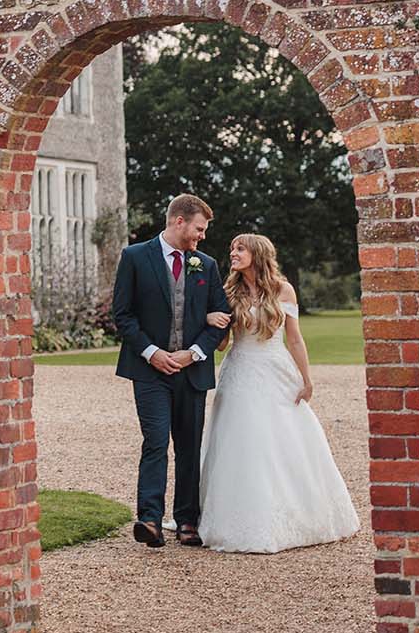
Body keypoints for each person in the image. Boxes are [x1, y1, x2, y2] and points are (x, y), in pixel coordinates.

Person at [197, 232, 358, 554]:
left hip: (274, 369)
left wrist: (307, 378)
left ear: (257, 254)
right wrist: (210, 321)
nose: (233, 253)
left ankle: (293, 513)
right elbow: (222, 344)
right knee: (238, 440)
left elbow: (294, 339)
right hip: (239, 370)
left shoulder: (284, 290)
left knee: (280, 439)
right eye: (232, 248)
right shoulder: (229, 291)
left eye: (240, 248)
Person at [111, 193, 232, 548]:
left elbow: (221, 320)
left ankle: (186, 521)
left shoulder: (206, 265)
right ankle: (149, 518)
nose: (202, 236)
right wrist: (152, 352)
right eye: (199, 228)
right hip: (149, 371)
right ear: (179, 221)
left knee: (189, 447)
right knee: (156, 442)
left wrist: (192, 354)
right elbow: (123, 315)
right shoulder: (134, 257)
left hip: (191, 372)